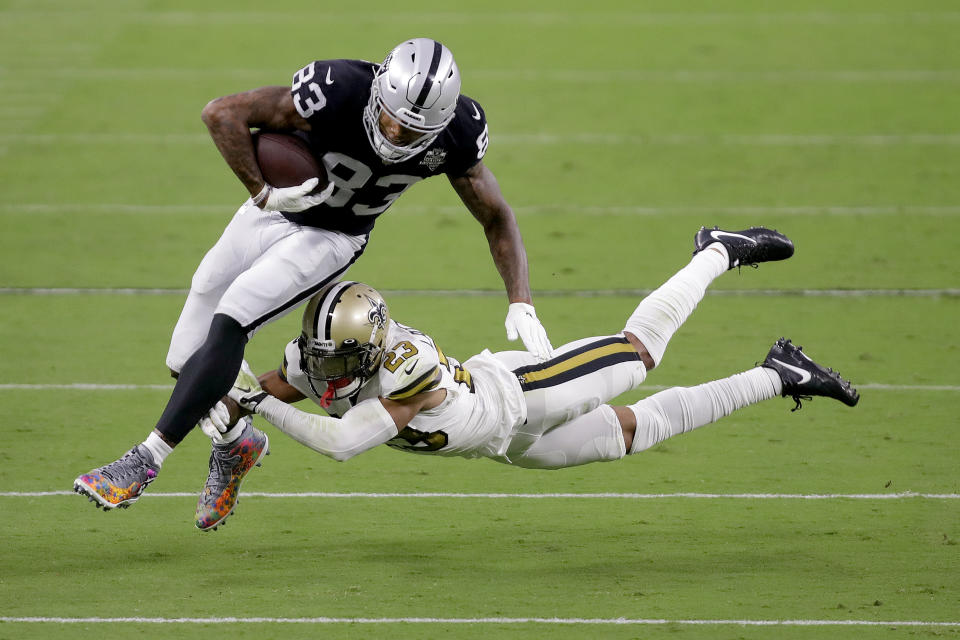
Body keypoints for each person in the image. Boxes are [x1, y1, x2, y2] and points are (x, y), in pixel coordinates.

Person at [73, 38, 552, 512]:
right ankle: (239, 442)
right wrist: (261, 192)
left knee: (232, 320)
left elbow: (496, 215)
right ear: (380, 90)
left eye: (411, 131)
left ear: (439, 126)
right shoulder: (338, 88)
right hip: (272, 209)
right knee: (185, 359)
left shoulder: (457, 135)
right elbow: (221, 114)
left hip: (331, 238)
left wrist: (521, 299)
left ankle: (144, 461)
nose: (394, 133)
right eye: (390, 116)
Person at [186, 226, 857, 530]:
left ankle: (716, 252)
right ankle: (780, 374)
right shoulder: (317, 356)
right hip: (506, 443)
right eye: (318, 354)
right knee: (636, 432)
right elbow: (248, 392)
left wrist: (255, 406)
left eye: (336, 358)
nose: (320, 369)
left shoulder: (403, 364)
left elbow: (340, 443)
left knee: (640, 352)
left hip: (527, 390)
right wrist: (224, 404)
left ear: (370, 350)